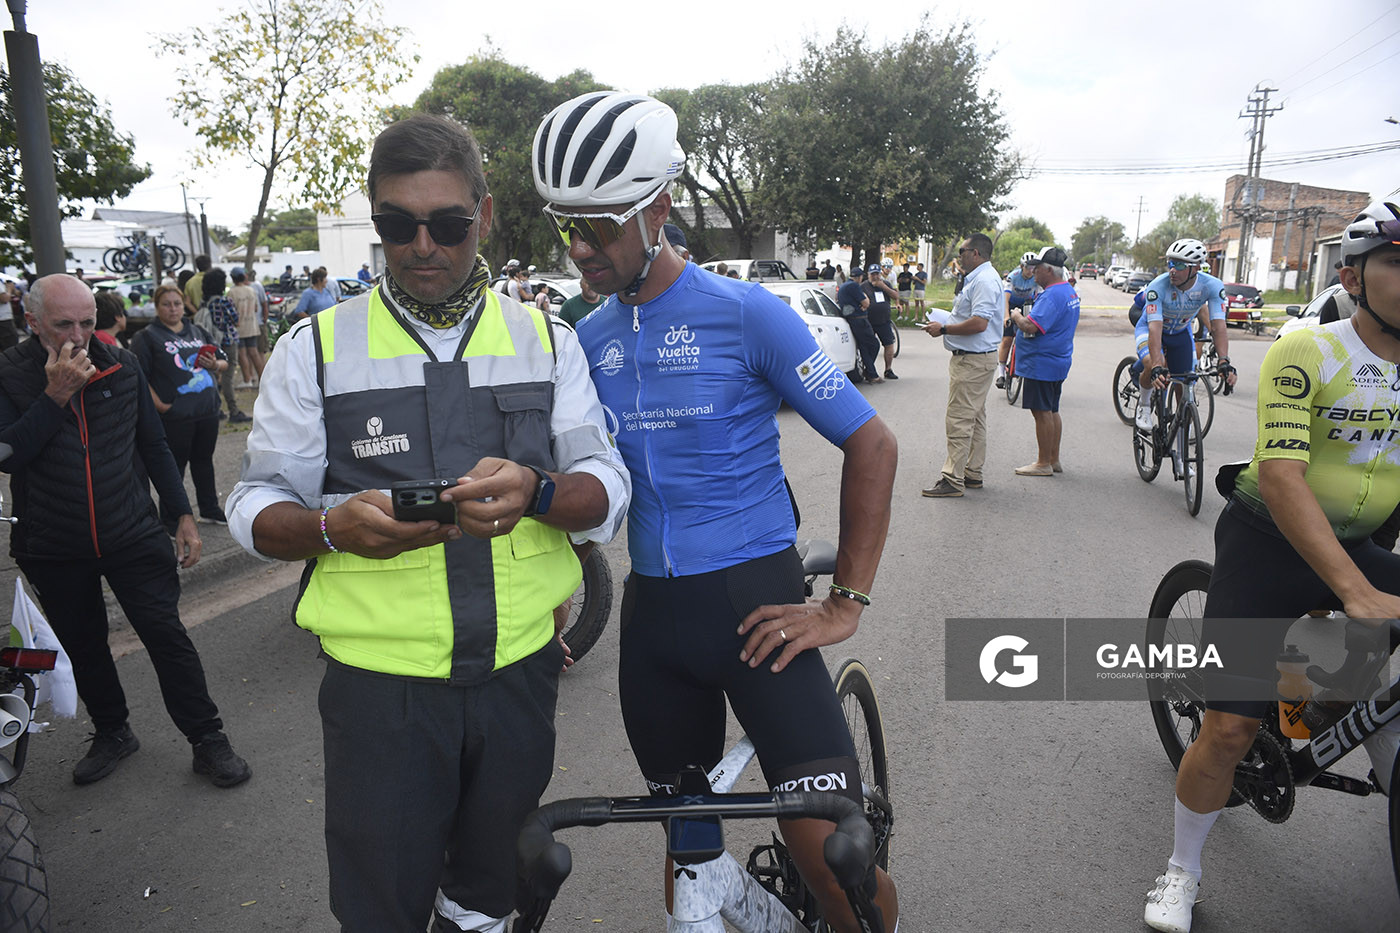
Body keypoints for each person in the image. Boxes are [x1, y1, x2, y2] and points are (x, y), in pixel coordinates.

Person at [226, 112, 628, 933]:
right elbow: (254, 505)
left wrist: (540, 493)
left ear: (483, 216)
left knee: (489, 892)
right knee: (382, 906)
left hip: (520, 680)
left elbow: (606, 487)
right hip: (382, 696)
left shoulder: (549, 342)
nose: (422, 245)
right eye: (395, 224)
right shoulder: (317, 349)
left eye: (446, 224)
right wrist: (333, 527)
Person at [533, 90, 899, 933]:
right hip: (655, 624)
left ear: (658, 208)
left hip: (757, 607)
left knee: (833, 862)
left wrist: (846, 602)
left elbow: (873, 444)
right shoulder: (585, 341)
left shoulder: (747, 314)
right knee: (689, 860)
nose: (580, 248)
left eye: (599, 226)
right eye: (566, 228)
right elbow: (574, 489)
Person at [1143, 197, 1400, 933]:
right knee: (1226, 730)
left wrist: (1362, 580)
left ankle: (1349, 709)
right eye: (1396, 261)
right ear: (1352, 275)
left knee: (1362, 689)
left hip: (1359, 542)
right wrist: (1354, 590)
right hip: (1267, 541)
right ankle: (1180, 870)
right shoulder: (1308, 350)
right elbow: (1284, 476)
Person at [0, 274, 250, 788]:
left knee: (165, 632)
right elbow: (8, 455)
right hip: (52, 540)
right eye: (63, 324)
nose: (78, 336)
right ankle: (113, 731)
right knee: (84, 643)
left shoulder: (120, 363)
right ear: (32, 322)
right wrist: (54, 396)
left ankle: (208, 738)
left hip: (130, 528)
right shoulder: (8, 372)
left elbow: (154, 445)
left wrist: (182, 513)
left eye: (87, 323)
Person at [132, 284, 230, 528]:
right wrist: (163, 407)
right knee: (174, 469)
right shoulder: (147, 336)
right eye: (166, 304)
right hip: (175, 416)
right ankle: (172, 518)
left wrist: (214, 365)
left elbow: (224, 361)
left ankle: (209, 508)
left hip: (207, 411)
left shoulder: (196, 330)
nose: (173, 309)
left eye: (177, 303)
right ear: (157, 306)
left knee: (203, 462)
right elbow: (139, 378)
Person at [920, 233, 1001, 497]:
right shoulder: (979, 279)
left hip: (973, 360)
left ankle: (952, 479)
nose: (960, 257)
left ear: (975, 253)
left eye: (962, 251)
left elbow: (979, 323)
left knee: (959, 419)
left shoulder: (985, 281)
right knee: (975, 418)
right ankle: (972, 472)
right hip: (975, 359)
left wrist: (943, 328)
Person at [1133, 238, 1236, 434]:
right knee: (1153, 363)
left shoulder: (1212, 286)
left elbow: (1218, 326)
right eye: (1170, 263)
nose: (1172, 269)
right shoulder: (1158, 285)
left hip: (1180, 333)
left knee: (1186, 384)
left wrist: (1224, 360)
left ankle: (1180, 459)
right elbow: (1155, 328)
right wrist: (1156, 366)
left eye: (1179, 264)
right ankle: (1144, 404)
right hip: (1150, 329)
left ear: (1196, 268)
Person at [1007, 246, 1080, 476]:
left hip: (1042, 363)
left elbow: (1031, 326)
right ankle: (1053, 459)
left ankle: (1043, 463)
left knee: (1041, 412)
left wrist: (1016, 315)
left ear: (1048, 270)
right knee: (1051, 410)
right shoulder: (1067, 291)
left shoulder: (1051, 295)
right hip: (1057, 359)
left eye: (1037, 268)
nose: (1033, 271)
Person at [199, 269, 251, 424]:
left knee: (214, 375)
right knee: (228, 376)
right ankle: (234, 411)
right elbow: (236, 321)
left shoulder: (205, 303)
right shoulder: (224, 301)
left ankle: (217, 408)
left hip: (212, 343)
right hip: (228, 340)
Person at [997, 252, 1041, 388]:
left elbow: (1039, 298)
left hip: (1027, 305)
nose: (1031, 271)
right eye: (1028, 267)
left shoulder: (1036, 278)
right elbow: (1005, 299)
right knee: (1007, 339)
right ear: (1022, 266)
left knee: (1029, 336)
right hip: (1011, 305)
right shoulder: (1013, 277)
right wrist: (1006, 316)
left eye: (1034, 268)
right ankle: (1001, 375)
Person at [838, 266, 881, 383]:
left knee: (864, 347)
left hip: (852, 319)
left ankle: (872, 373)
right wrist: (865, 299)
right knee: (874, 344)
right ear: (860, 277)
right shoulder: (854, 286)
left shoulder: (844, 285)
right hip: (859, 320)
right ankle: (870, 371)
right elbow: (866, 303)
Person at [864, 263, 903, 380]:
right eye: (873, 274)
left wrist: (883, 287)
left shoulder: (885, 284)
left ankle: (888, 369)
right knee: (869, 346)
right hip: (869, 321)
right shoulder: (863, 286)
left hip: (884, 320)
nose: (875, 277)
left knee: (889, 344)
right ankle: (869, 370)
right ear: (868, 275)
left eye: (877, 274)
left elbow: (895, 295)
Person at [228, 267, 266, 386]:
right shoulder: (251, 290)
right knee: (254, 352)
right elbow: (256, 308)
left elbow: (230, 310)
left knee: (242, 353)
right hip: (252, 325)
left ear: (233, 278)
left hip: (239, 327)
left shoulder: (231, 292)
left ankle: (247, 380)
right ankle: (262, 379)